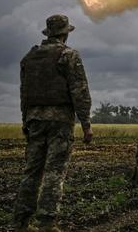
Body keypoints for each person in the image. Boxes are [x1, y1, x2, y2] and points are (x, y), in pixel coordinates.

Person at [13, 14, 93, 232]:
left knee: (31, 171)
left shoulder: (28, 58)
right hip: (59, 121)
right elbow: (80, 92)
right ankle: (47, 223)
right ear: (65, 33)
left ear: (49, 33)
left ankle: (21, 221)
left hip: (34, 120)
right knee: (54, 171)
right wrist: (86, 124)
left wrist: (25, 122)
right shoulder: (68, 56)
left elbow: (24, 94)